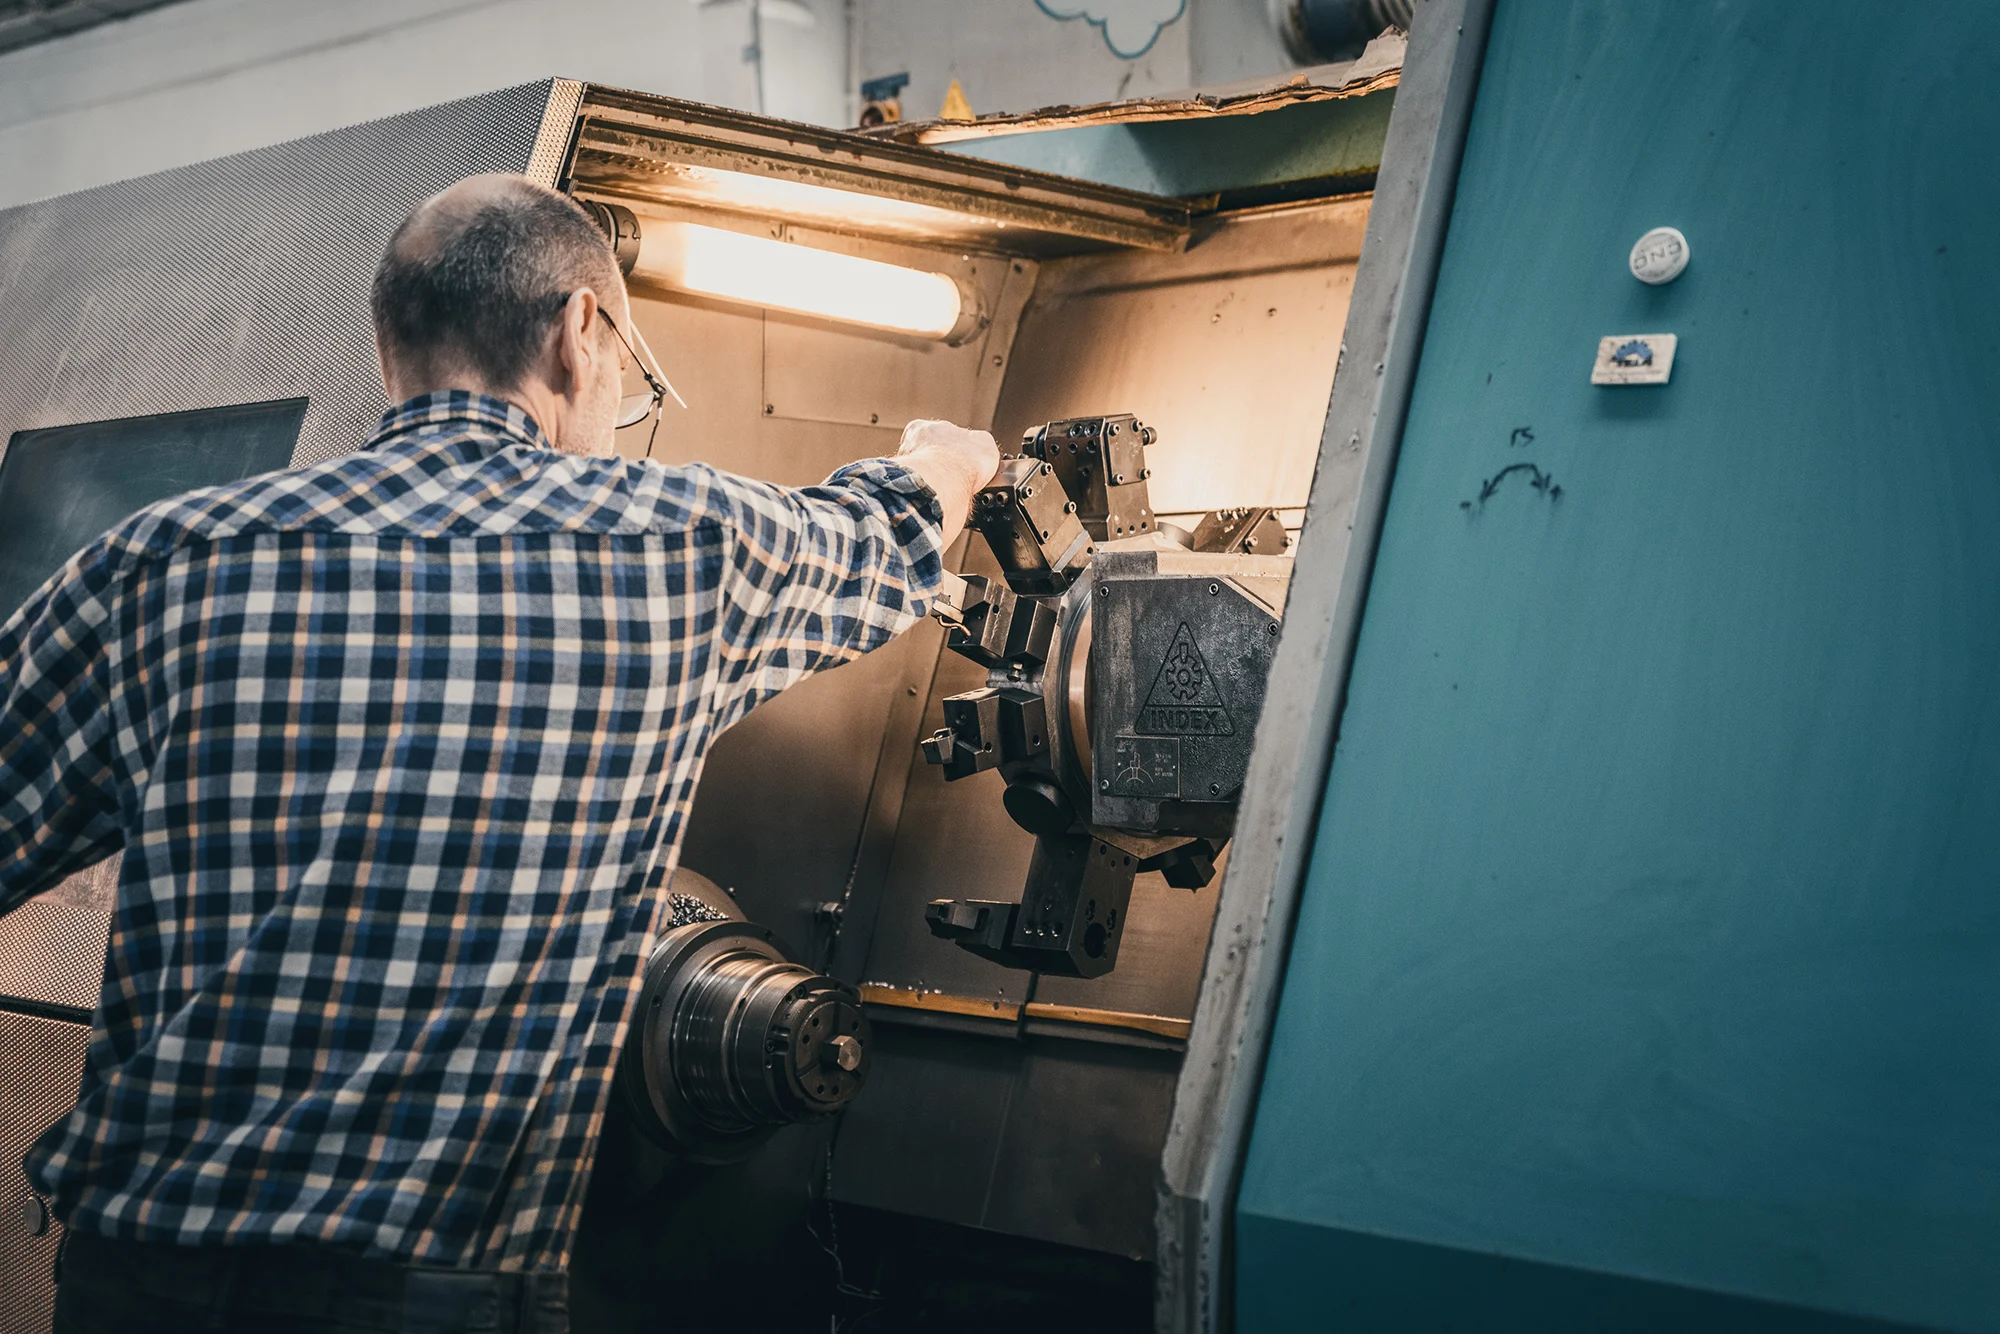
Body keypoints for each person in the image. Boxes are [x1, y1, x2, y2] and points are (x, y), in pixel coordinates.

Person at [0, 173, 999, 1333]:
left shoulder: (163, 563)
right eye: (627, 364)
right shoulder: (679, 552)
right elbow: (884, 533)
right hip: (425, 1293)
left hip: (140, 1277)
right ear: (580, 331)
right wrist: (948, 454)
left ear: (390, 354)